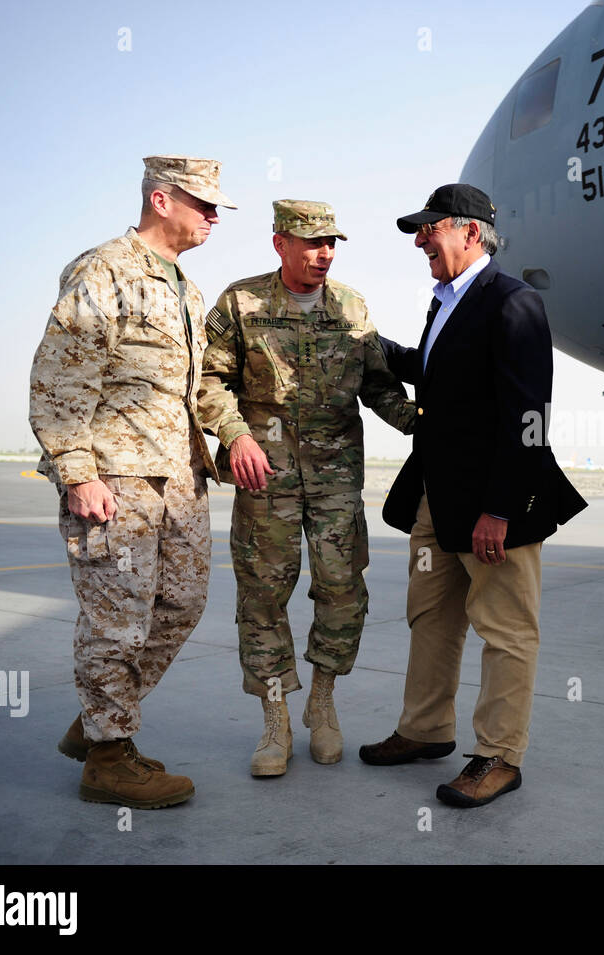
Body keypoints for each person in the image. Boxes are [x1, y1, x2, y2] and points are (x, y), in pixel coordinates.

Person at [358, 183, 586, 809]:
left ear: (470, 233)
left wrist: (503, 509)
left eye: (430, 228)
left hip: (493, 502)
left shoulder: (512, 302)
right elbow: (439, 378)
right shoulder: (446, 303)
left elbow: (529, 415)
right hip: (438, 495)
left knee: (506, 631)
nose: (419, 240)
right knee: (431, 618)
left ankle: (499, 757)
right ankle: (425, 729)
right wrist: (367, 343)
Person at [30, 155, 235, 808]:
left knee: (181, 605)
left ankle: (100, 718)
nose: (213, 216)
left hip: (180, 481)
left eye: (216, 206)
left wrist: (233, 438)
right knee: (115, 622)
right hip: (117, 479)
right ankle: (109, 757)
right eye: (203, 203)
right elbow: (60, 373)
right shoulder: (106, 268)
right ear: (160, 199)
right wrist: (77, 471)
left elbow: (193, 388)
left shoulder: (187, 290)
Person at [199, 200, 416, 776]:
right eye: (312, 243)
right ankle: (274, 720)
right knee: (264, 594)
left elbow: (379, 386)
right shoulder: (241, 302)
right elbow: (208, 381)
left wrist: (425, 423)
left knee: (342, 589)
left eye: (332, 244)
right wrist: (236, 435)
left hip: (336, 475)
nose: (324, 254)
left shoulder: (351, 306)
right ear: (280, 244)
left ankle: (322, 703)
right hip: (264, 473)